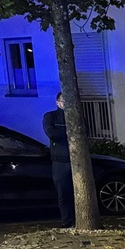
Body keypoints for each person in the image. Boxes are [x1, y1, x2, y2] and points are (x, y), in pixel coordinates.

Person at [42, 92, 75, 228]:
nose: (66, 104)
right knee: (63, 193)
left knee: (76, 192)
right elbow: (52, 134)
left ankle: (77, 219)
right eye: (63, 101)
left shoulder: (75, 116)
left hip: (75, 161)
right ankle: (67, 221)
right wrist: (69, 132)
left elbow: (84, 132)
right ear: (57, 103)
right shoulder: (51, 116)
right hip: (60, 162)